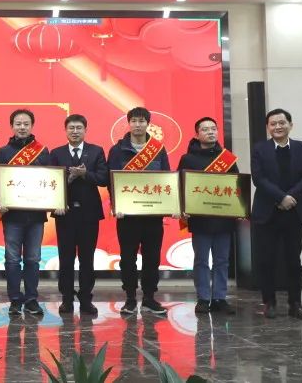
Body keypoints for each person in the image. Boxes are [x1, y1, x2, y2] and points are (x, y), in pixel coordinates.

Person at [107, 107, 172, 315]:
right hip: (127, 216)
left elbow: (166, 179)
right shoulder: (117, 150)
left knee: (152, 258)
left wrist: (169, 206)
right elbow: (111, 181)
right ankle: (130, 298)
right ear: (129, 123)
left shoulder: (158, 149)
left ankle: (150, 298)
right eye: (134, 121)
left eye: (141, 121)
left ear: (148, 124)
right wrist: (116, 205)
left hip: (153, 215)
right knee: (128, 259)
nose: (137, 125)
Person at [251, 108, 302, 320]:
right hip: (267, 213)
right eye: (273, 124)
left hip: (293, 212)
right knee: (266, 260)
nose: (277, 126)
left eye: (282, 122)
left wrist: (291, 197)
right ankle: (269, 302)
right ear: (268, 128)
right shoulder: (260, 149)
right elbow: (259, 178)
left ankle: (295, 303)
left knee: (293, 260)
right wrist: (281, 197)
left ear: (290, 125)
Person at [177, 117, 239, 315]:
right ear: (197, 135)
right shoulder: (188, 159)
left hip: (223, 218)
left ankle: (220, 298)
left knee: (222, 261)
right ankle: (203, 298)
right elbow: (180, 186)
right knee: (201, 261)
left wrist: (240, 209)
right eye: (205, 129)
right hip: (200, 219)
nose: (211, 132)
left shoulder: (227, 158)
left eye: (213, 128)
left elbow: (237, 186)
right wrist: (183, 208)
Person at [50, 114, 108, 316]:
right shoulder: (56, 153)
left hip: (89, 214)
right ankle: (66, 299)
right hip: (64, 213)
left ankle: (86, 300)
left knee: (87, 259)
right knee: (65, 259)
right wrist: (69, 178)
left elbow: (103, 178)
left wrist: (85, 174)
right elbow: (51, 182)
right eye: (71, 128)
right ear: (65, 131)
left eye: (79, 128)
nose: (75, 131)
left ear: (85, 130)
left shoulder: (96, 151)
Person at [0, 108, 51, 316]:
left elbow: (50, 181)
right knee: (12, 259)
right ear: (12, 126)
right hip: (12, 215)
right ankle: (15, 300)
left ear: (32, 126)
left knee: (33, 259)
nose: (22, 127)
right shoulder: (3, 152)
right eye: (18, 124)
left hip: (36, 215)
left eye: (26, 124)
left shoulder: (42, 151)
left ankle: (31, 299)